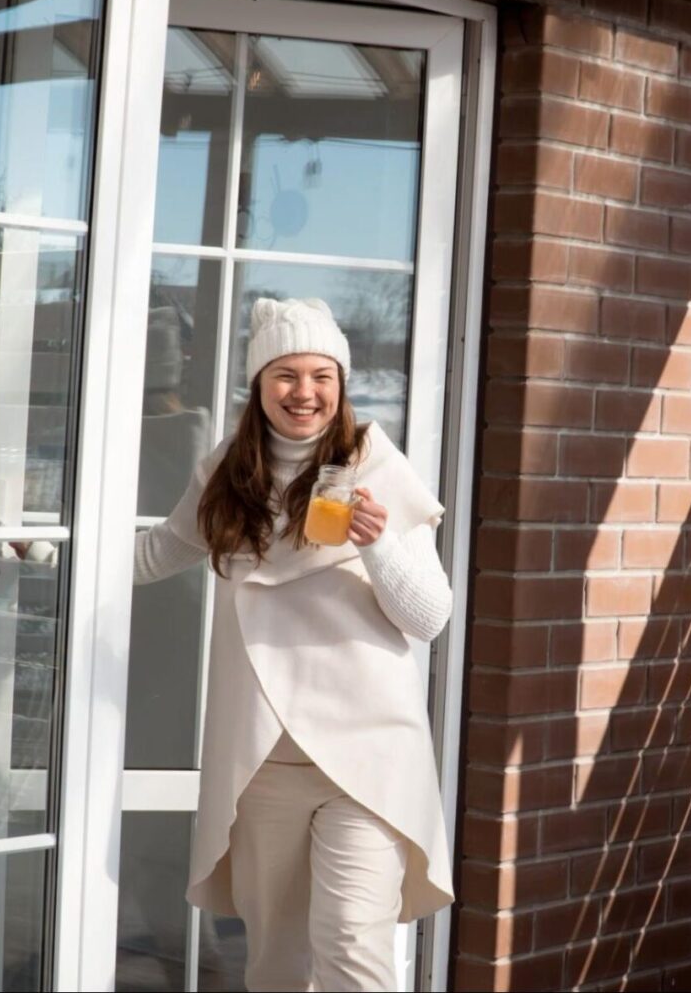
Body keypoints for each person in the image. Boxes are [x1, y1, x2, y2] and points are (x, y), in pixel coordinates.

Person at [132, 297, 455, 992]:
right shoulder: (227, 473)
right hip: (264, 760)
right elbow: (156, 554)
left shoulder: (375, 469)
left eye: (321, 376)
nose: (304, 393)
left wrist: (379, 546)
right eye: (285, 375)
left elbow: (428, 617)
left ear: (340, 386)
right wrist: (47, 555)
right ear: (258, 385)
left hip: (366, 757)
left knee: (351, 947)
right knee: (277, 964)